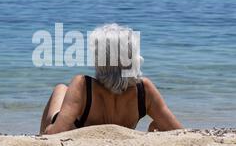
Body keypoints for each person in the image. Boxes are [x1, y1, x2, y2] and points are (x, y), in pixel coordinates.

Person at [40, 24, 182, 135]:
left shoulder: (83, 84)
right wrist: (155, 127)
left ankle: (38, 134)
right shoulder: (144, 90)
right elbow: (179, 131)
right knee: (158, 123)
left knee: (61, 89)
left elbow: (55, 134)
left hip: (72, 129)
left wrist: (50, 128)